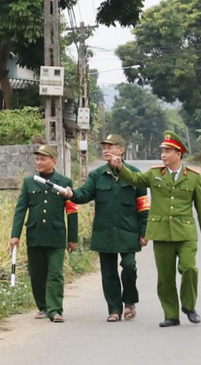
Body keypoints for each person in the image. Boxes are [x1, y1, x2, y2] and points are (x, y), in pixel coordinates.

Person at [107, 131, 201, 328]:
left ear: (178, 154)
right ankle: (171, 314)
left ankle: (189, 306)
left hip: (185, 232)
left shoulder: (194, 178)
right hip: (162, 232)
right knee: (165, 277)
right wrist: (120, 167)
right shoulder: (155, 174)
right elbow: (136, 179)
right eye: (162, 151)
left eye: (167, 151)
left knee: (189, 268)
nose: (163, 155)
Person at [63, 134, 149, 322]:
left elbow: (143, 206)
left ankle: (129, 301)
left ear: (122, 150)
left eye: (111, 146)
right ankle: (114, 309)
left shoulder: (135, 175)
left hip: (128, 230)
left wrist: (144, 231)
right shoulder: (97, 175)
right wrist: (71, 194)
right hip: (104, 231)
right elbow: (85, 194)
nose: (106, 150)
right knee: (108, 272)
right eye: (105, 147)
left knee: (129, 266)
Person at [10, 144, 78, 323]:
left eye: (42, 159)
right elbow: (20, 209)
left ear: (53, 161)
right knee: (37, 273)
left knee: (55, 273)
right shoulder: (29, 182)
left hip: (56, 236)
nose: (38, 162)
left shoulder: (64, 182)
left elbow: (72, 211)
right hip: (35, 235)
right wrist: (15, 235)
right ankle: (42, 307)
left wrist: (72, 238)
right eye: (37, 159)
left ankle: (55, 310)